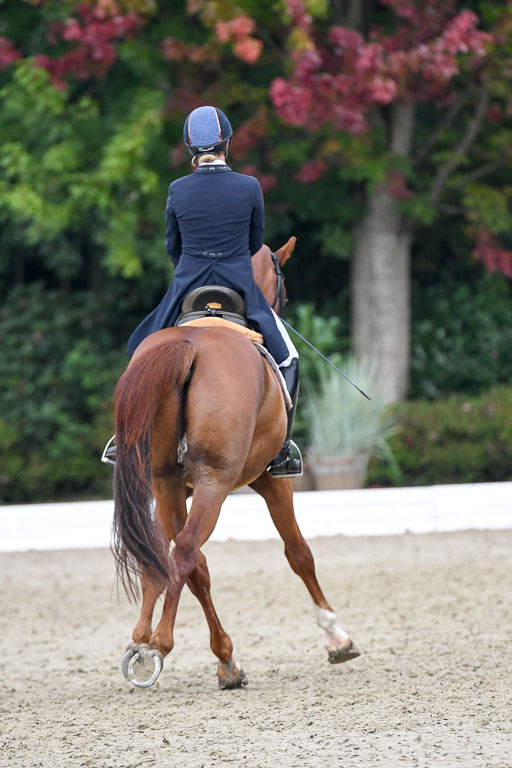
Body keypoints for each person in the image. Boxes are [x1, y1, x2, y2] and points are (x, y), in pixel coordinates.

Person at [104, 105, 301, 477]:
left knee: (137, 352)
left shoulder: (178, 189)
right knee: (288, 358)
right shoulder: (249, 186)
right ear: (227, 141)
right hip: (240, 286)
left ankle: (124, 440)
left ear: (192, 149)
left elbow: (172, 246)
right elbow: (253, 243)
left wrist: (193, 266)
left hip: (187, 288)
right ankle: (281, 451)